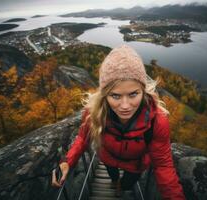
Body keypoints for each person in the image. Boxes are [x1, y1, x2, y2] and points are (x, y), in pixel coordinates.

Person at [52, 45, 185, 199]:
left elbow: (163, 165)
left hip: (136, 165)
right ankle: (116, 184)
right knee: (113, 177)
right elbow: (83, 138)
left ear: (143, 91)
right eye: (115, 96)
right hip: (108, 158)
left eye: (133, 94)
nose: (125, 106)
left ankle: (122, 187)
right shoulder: (94, 112)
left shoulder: (156, 120)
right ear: (104, 95)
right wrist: (68, 161)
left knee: (128, 183)